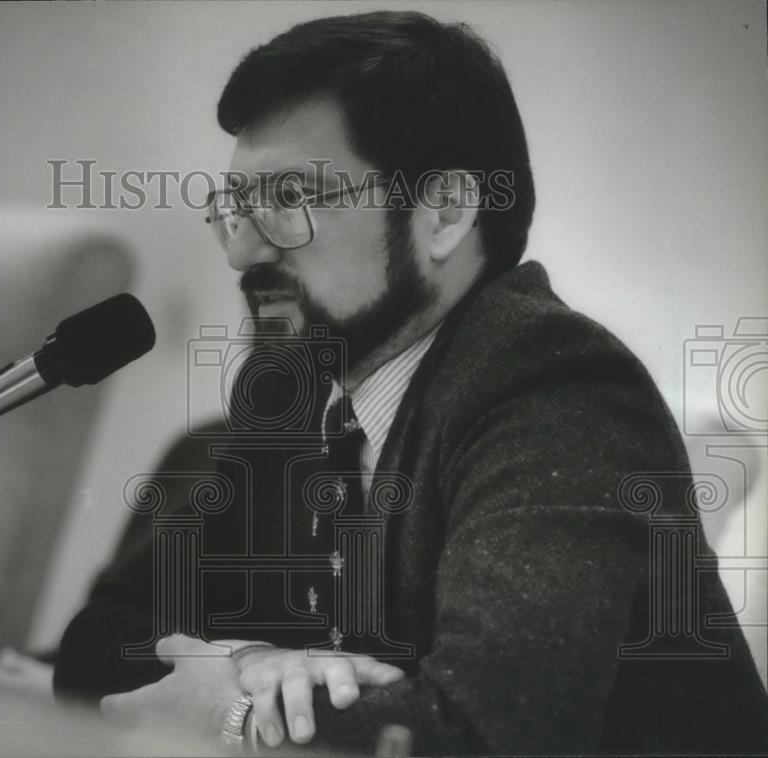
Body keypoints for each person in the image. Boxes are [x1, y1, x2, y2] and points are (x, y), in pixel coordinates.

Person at [53, 11, 768, 754]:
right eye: (236, 208)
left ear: (447, 212)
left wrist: (227, 716)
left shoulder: (560, 389)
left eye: (292, 198)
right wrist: (250, 664)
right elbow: (99, 641)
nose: (244, 254)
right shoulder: (295, 393)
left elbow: (484, 735)